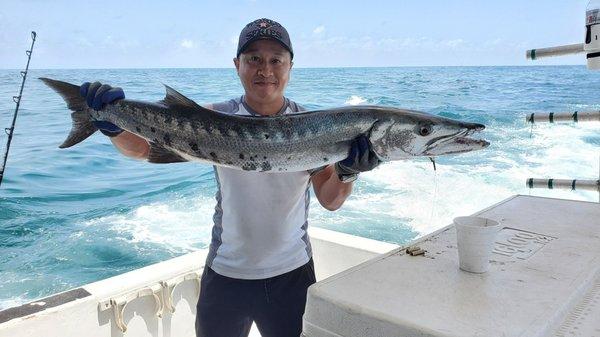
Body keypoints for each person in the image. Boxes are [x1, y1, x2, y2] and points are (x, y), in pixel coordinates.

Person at [80, 18, 380, 337]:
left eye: (276, 60)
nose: (265, 70)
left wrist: (347, 174)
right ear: (237, 65)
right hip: (225, 274)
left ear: (290, 66)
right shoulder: (211, 117)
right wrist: (111, 125)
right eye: (254, 59)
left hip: (291, 275)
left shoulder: (316, 128)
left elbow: (329, 200)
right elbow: (142, 149)